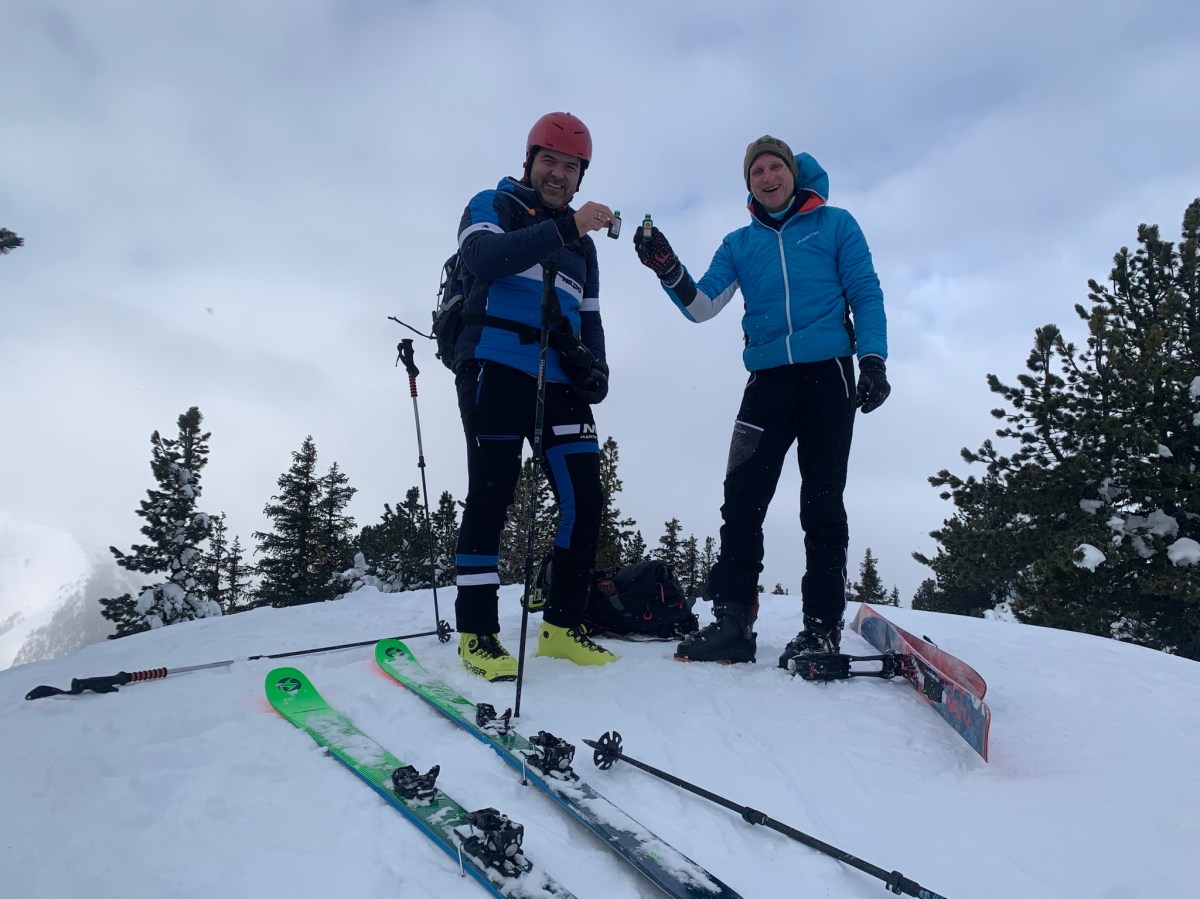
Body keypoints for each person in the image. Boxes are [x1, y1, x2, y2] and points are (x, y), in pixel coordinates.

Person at [633, 134, 890, 668]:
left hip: (829, 377)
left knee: (821, 504)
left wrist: (873, 360)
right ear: (748, 184)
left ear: (794, 174)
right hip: (767, 383)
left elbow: (865, 291)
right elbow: (703, 306)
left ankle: (820, 630)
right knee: (742, 499)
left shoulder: (836, 224)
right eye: (757, 172)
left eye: (776, 167)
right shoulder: (739, 244)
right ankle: (733, 622)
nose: (768, 177)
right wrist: (667, 268)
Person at [450, 111, 618, 681]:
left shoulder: (585, 251)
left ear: (580, 177)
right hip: (493, 365)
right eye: (549, 161)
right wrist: (567, 228)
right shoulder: (492, 206)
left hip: (561, 378)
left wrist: (597, 368)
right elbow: (485, 260)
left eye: (570, 167)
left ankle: (561, 628)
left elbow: (590, 321)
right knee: (492, 494)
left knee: (586, 498)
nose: (558, 174)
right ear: (530, 162)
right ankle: (477, 634)